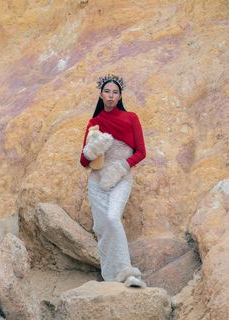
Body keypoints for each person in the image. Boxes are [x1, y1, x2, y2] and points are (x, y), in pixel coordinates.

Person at [80, 74, 146, 287]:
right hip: (97, 181)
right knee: (101, 227)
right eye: (107, 92)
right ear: (101, 94)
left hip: (121, 177)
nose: (110, 96)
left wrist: (121, 167)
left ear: (120, 96)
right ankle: (111, 276)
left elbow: (141, 152)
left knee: (112, 219)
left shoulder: (131, 118)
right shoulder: (94, 123)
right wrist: (93, 148)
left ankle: (128, 273)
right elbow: (83, 161)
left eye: (115, 92)